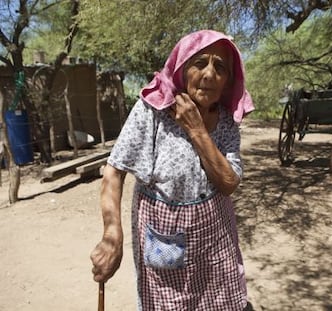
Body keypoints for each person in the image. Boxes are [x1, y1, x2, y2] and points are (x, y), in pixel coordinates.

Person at [90, 29, 255, 310]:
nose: (209, 74)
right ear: (181, 68)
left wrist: (196, 128)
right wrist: (111, 234)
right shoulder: (152, 111)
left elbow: (228, 183)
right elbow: (114, 171)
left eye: (220, 67)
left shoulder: (227, 122)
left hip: (216, 239)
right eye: (200, 63)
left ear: (228, 81)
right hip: (165, 235)